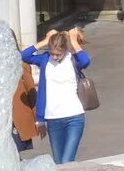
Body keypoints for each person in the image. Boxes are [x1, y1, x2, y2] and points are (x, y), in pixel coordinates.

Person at [22, 26, 93, 163]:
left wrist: (74, 41)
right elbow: (24, 56)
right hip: (53, 119)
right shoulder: (45, 60)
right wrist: (45, 41)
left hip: (74, 117)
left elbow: (85, 61)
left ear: (65, 49)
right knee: (58, 163)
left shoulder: (72, 60)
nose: (55, 57)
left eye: (58, 54)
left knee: (67, 161)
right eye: (52, 53)